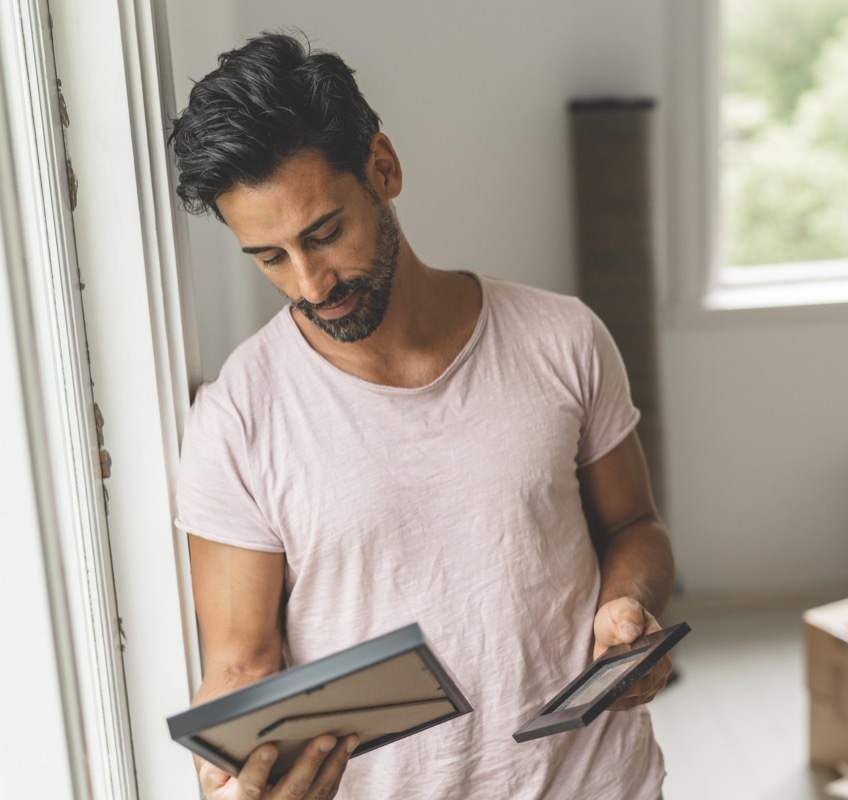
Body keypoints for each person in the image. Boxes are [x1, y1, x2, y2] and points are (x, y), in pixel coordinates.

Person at [169, 31, 676, 800]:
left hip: (597, 782)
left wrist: (628, 610)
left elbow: (634, 525)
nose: (310, 283)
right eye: (270, 258)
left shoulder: (562, 336)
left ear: (384, 167)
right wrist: (233, 785)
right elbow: (240, 667)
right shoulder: (236, 420)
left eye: (324, 233)